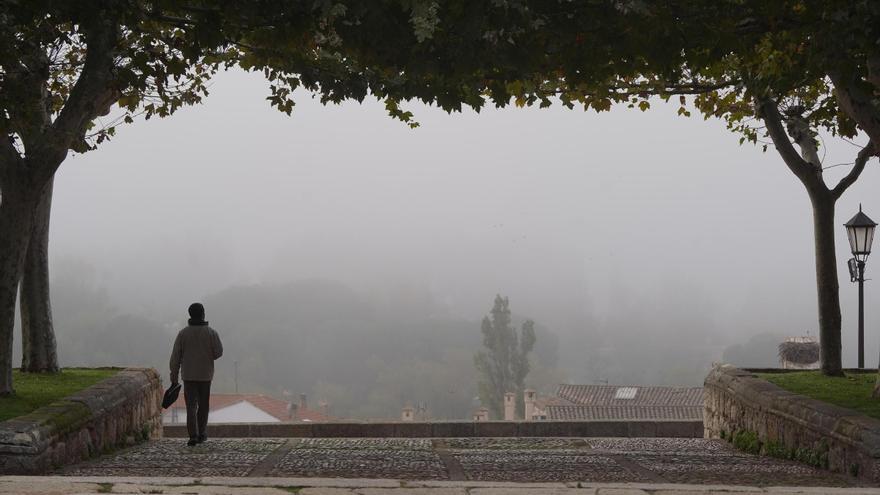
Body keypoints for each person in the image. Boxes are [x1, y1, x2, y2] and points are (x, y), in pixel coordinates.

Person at [170, 302, 223, 446]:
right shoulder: (211, 333)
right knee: (204, 405)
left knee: (191, 406)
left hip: (188, 375)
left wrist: (174, 377)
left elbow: (175, 357)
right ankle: (202, 433)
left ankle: (193, 435)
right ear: (203, 314)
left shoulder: (183, 334)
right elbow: (218, 352)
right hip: (205, 375)